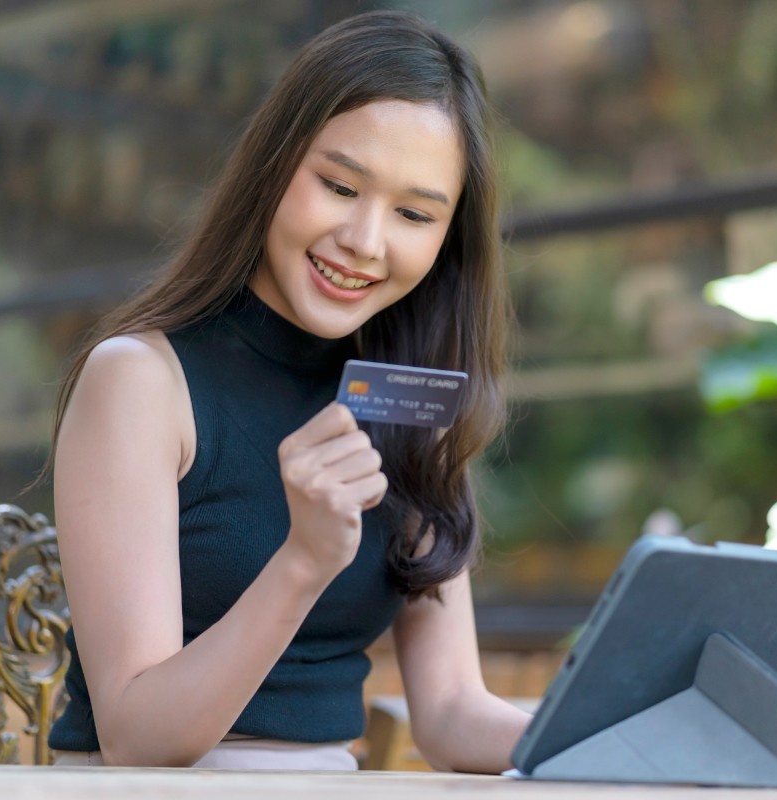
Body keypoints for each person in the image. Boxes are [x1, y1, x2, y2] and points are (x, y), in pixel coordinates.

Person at [44, 10, 532, 772]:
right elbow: (136, 736)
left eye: (413, 213)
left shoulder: (407, 406)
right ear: (274, 167)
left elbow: (450, 713)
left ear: (447, 240)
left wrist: (618, 739)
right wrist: (304, 560)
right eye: (339, 186)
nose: (365, 242)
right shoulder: (139, 381)